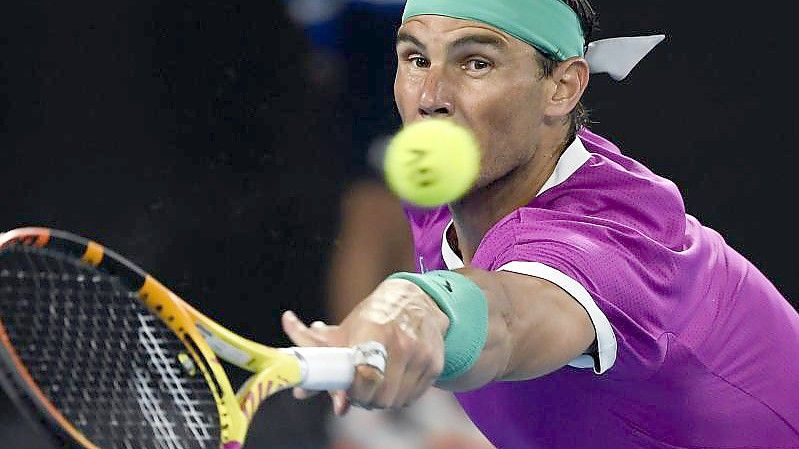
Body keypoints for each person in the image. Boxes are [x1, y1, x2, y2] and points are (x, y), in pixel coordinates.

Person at [282, 1, 799, 448]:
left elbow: (507, 318)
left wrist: (416, 305)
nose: (430, 96)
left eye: (476, 63)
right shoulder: (446, 193)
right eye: (416, 59)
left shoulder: (611, 236)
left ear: (562, 87)